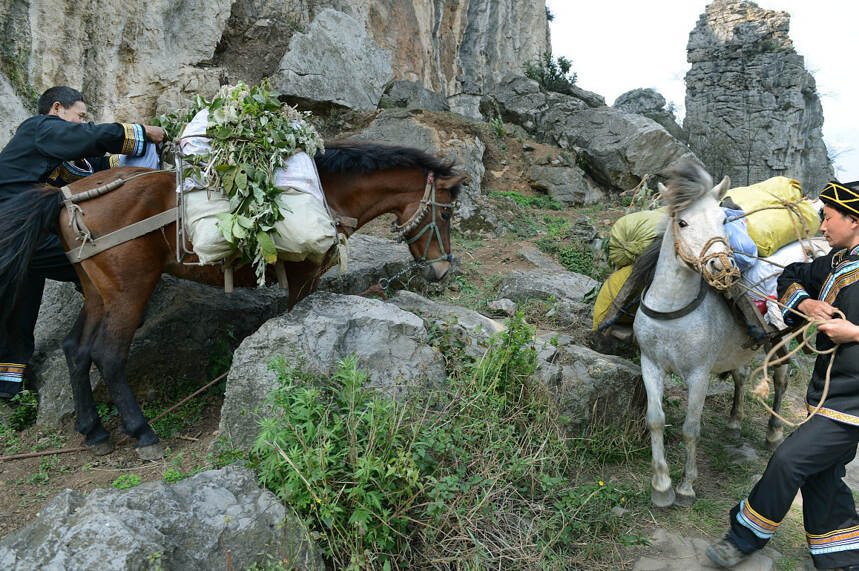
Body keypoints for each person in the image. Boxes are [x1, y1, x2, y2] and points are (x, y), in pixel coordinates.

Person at [706, 179, 859, 570]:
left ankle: (742, 538)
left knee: (789, 460)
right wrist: (807, 303)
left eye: (827, 218)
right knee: (822, 477)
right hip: (828, 391)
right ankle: (842, 559)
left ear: (854, 220)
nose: (822, 227)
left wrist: (854, 332)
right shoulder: (835, 263)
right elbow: (791, 274)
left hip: (853, 404)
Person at [0, 86, 167, 399]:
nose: (82, 122)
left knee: (19, 308)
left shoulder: (60, 150)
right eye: (79, 116)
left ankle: (8, 387)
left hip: (28, 232)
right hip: (9, 229)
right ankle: (112, 302)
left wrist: (140, 153)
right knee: (100, 258)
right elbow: (90, 137)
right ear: (57, 109)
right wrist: (140, 132)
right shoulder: (39, 129)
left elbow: (95, 169)